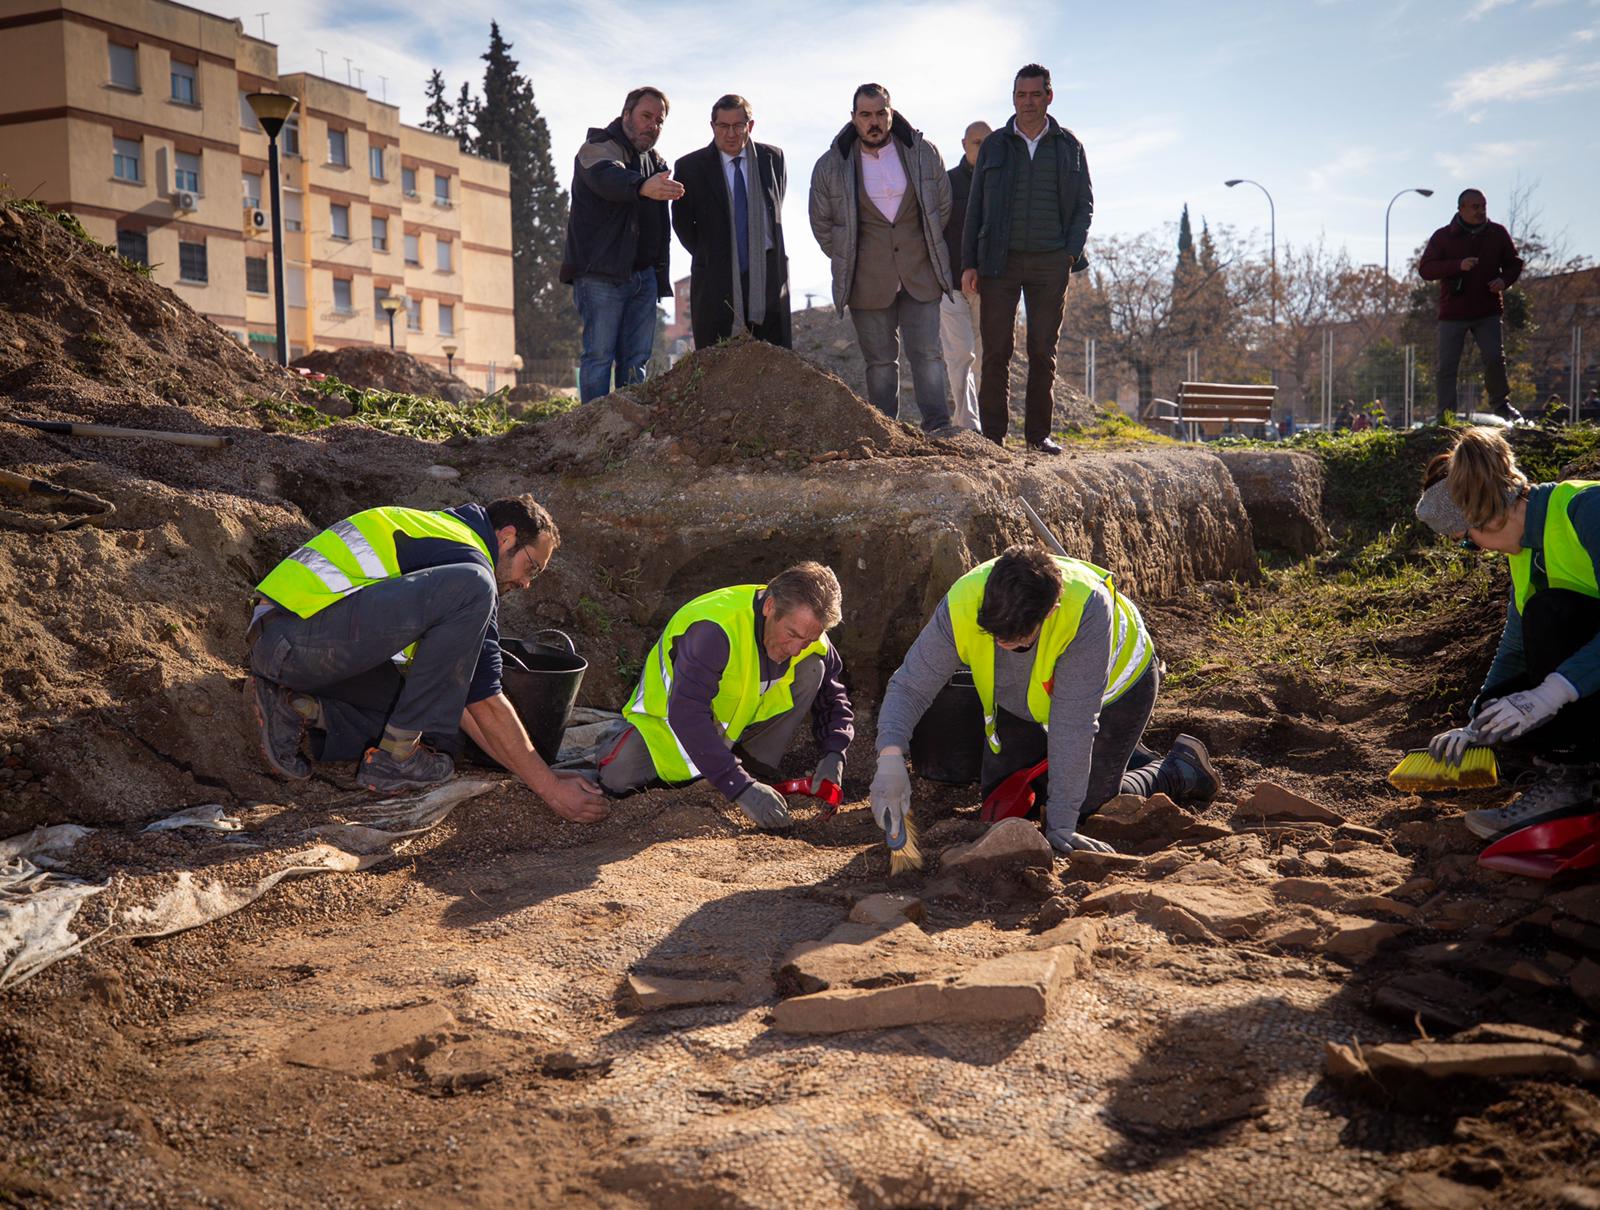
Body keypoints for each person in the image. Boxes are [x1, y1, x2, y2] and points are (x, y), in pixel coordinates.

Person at [245, 496, 607, 823]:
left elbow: (464, 699)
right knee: (476, 587)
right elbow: (485, 699)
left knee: (440, 730)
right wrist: (551, 791)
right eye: (533, 568)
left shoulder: (442, 548)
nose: (528, 583)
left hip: (302, 648)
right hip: (291, 637)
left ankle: (294, 708)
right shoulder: (467, 565)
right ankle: (395, 758)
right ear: (507, 537)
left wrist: (542, 773)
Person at [870, 546, 1219, 854]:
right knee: (1002, 806)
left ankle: (1177, 769)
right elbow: (910, 686)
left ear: (1049, 612)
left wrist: (1063, 823)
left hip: (1117, 691)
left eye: (1015, 638)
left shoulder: (1086, 612)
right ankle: (1123, 754)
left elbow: (1073, 724)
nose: (1001, 643)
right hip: (1029, 699)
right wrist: (889, 758)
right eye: (994, 635)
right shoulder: (963, 602)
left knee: (1085, 807)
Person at [1415, 426, 1600, 839]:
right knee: (1506, 694)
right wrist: (1478, 720)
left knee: (1551, 612)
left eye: (1466, 542)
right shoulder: (1527, 554)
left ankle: (1572, 781)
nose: (1474, 552)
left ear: (1487, 514)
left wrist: (1550, 693)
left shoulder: (1587, 510)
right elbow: (1516, 647)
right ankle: (1559, 764)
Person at [599, 562, 854, 831]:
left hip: (735, 731)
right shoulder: (714, 630)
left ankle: (756, 769)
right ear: (770, 606)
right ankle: (729, 774)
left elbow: (833, 697)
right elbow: (687, 714)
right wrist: (739, 787)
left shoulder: (809, 634)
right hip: (667, 728)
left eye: (807, 639)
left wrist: (835, 753)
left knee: (813, 669)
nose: (795, 648)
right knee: (617, 777)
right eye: (791, 634)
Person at [961, 65, 1093, 456]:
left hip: (1050, 263)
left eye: (1036, 94)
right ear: (1013, 98)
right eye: (1022, 95)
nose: (1028, 102)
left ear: (1049, 96)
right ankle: (993, 438)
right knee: (996, 349)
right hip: (999, 262)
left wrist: (1069, 252)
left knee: (1042, 350)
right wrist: (969, 262)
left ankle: (1038, 436)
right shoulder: (996, 145)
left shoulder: (1069, 146)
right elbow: (975, 208)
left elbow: (1084, 205)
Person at [809, 83, 953, 433]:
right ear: (854, 118)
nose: (874, 121)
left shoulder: (922, 152)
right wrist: (851, 257)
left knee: (929, 357)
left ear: (891, 113)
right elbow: (821, 222)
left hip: (920, 274)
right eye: (866, 115)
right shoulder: (831, 165)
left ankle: (938, 427)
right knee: (880, 363)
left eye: (880, 113)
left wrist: (922, 247)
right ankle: (886, 431)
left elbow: (943, 205)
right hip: (866, 281)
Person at [562, 86, 683, 403]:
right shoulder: (597, 147)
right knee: (599, 357)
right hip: (600, 275)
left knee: (636, 364)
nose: (652, 125)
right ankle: (592, 434)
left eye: (659, 121)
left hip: (643, 279)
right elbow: (608, 179)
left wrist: (657, 275)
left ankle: (628, 438)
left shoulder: (656, 162)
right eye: (646, 116)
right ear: (626, 113)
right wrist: (642, 186)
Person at [671, 94, 791, 349]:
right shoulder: (690, 167)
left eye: (738, 125)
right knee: (718, 365)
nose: (731, 133)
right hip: (716, 279)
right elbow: (682, 224)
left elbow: (775, 207)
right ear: (712, 126)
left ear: (751, 125)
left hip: (768, 277)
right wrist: (713, 254)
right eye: (723, 126)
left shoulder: (773, 158)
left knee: (775, 365)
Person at [1418, 189, 1523, 424]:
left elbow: (1514, 264)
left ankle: (1501, 405)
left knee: (1495, 357)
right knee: (1446, 366)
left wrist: (1504, 281)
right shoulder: (1443, 237)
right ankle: (1445, 415)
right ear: (1461, 209)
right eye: (1475, 206)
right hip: (1453, 313)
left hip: (1487, 310)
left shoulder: (1497, 233)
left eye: (1483, 205)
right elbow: (1426, 269)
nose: (1480, 210)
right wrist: (1457, 265)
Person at [940, 121, 990, 431]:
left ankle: (976, 422)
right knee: (960, 355)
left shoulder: (1002, 186)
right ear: (963, 145)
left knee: (985, 360)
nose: (981, 149)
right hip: (951, 286)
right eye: (976, 143)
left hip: (991, 288)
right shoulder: (946, 185)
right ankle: (969, 425)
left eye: (987, 143)